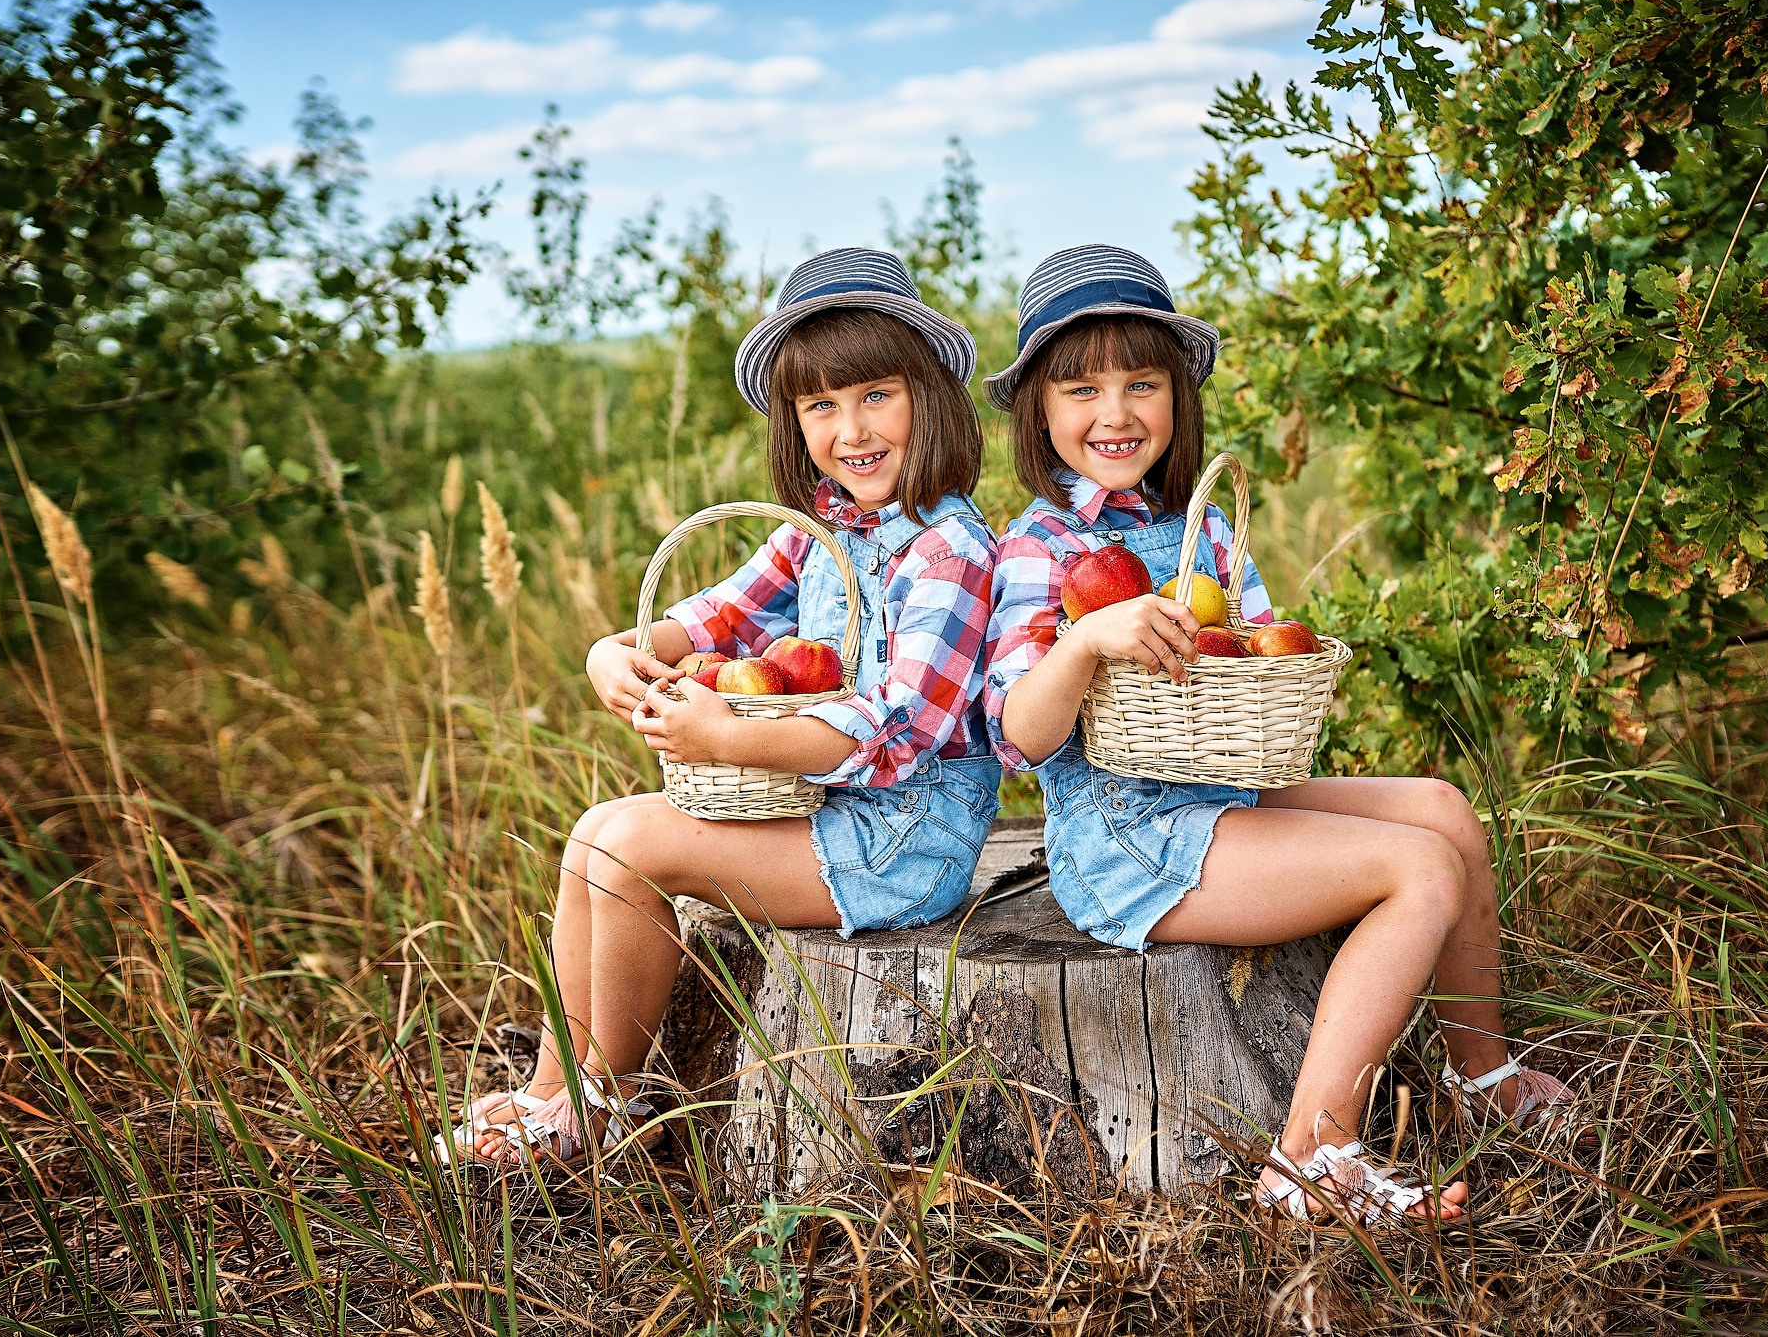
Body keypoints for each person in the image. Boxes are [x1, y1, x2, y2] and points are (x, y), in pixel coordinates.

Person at [982, 245, 1582, 1224]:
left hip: (1220, 795)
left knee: (1441, 809)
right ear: (1039, 413)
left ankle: (1486, 1080)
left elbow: (1252, 656)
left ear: (1178, 395)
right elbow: (1019, 733)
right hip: (1134, 842)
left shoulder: (1203, 530)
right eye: (1080, 388)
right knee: (1415, 871)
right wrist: (1085, 641)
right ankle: (1311, 1160)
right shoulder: (1041, 546)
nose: (1115, 411)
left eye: (1142, 382)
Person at [440, 248, 1003, 1163]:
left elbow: (902, 731)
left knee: (635, 850)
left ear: (929, 398)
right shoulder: (818, 535)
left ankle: (602, 1104)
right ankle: (552, 1087)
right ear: (794, 423)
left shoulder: (949, 551)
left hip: (903, 845)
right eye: (820, 406)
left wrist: (730, 737)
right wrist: (616, 652)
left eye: (875, 397)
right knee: (595, 830)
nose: (850, 429)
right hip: (828, 818)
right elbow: (716, 614)